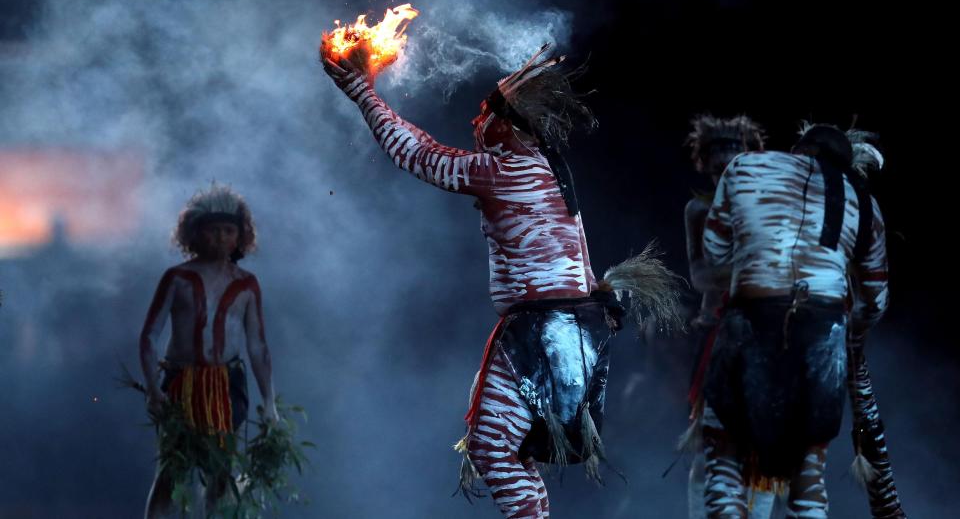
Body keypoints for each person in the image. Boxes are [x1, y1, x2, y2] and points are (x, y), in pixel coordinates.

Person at [322, 45, 678, 518]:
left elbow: (418, 155)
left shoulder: (507, 170)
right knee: (508, 449)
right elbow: (577, 256)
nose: (476, 123)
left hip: (545, 330)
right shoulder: (549, 172)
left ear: (506, 123)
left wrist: (361, 92)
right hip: (572, 328)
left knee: (492, 446)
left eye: (484, 114)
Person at [700, 123, 888, 518]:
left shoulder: (745, 167)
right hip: (823, 337)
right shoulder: (862, 200)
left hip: (749, 321)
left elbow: (715, 255)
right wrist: (850, 332)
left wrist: (759, 257)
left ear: (798, 149)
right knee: (808, 477)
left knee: (725, 465)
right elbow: (876, 299)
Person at [139, 184, 278, 518]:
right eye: (213, 230)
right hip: (180, 385)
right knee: (171, 470)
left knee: (221, 471)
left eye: (228, 231)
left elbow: (257, 346)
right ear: (195, 233)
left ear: (240, 236)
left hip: (227, 386)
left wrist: (270, 403)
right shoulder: (176, 278)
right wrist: (154, 390)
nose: (220, 238)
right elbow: (149, 336)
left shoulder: (247, 284)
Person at [680, 115, 778, 518]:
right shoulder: (698, 210)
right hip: (719, 338)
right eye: (719, 169)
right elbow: (700, 276)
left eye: (734, 167)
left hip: (764, 339)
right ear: (706, 165)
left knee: (765, 452)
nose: (726, 176)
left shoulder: (769, 211)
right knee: (711, 446)